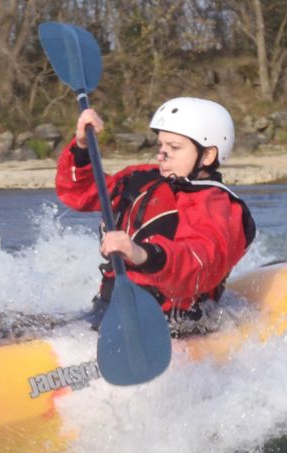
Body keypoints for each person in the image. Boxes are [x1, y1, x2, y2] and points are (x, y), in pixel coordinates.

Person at [56, 97, 256, 336]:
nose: (162, 155)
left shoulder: (218, 206)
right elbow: (80, 192)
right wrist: (81, 147)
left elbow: (201, 262)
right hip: (110, 309)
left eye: (174, 147)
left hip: (175, 321)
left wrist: (142, 254)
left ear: (208, 155)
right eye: (161, 146)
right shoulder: (140, 179)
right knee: (10, 330)